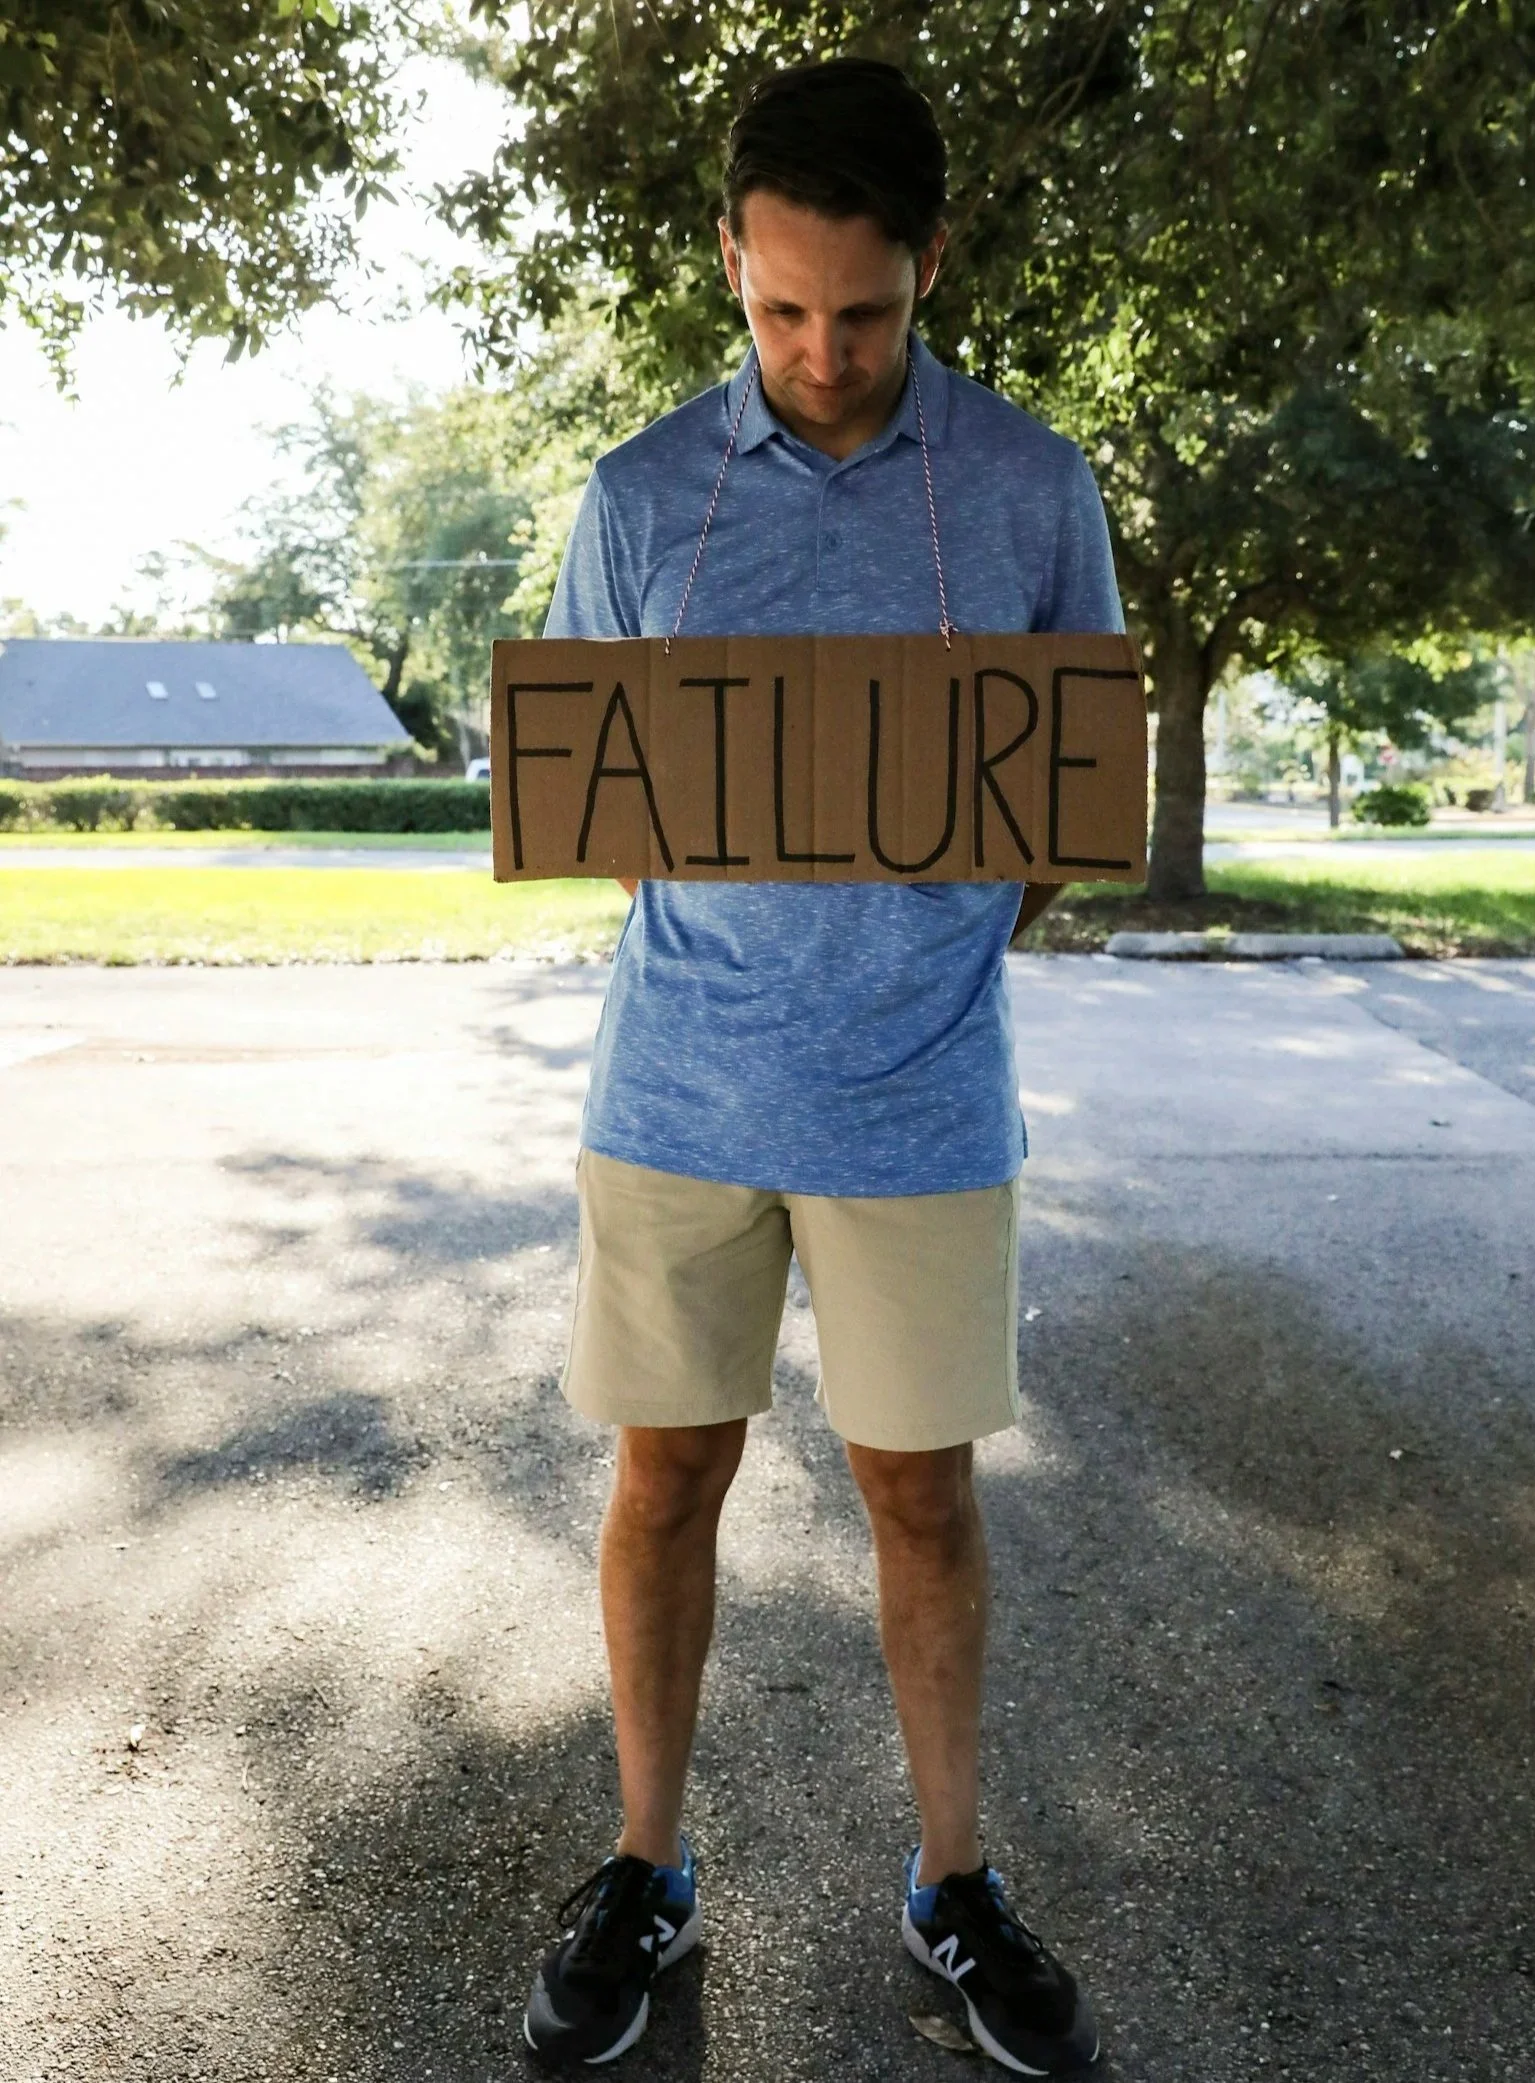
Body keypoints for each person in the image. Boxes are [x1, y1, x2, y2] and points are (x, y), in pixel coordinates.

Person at [523, 56, 1120, 2076]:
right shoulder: (631, 501)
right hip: (676, 1090)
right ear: (730, 265)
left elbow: (1055, 816)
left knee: (919, 1497)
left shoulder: (1035, 495)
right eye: (778, 309)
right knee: (662, 1478)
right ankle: (642, 1868)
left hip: (919, 1103)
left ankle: (954, 1884)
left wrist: (914, 957)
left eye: (859, 312)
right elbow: (592, 799)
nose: (819, 351)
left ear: (927, 265)